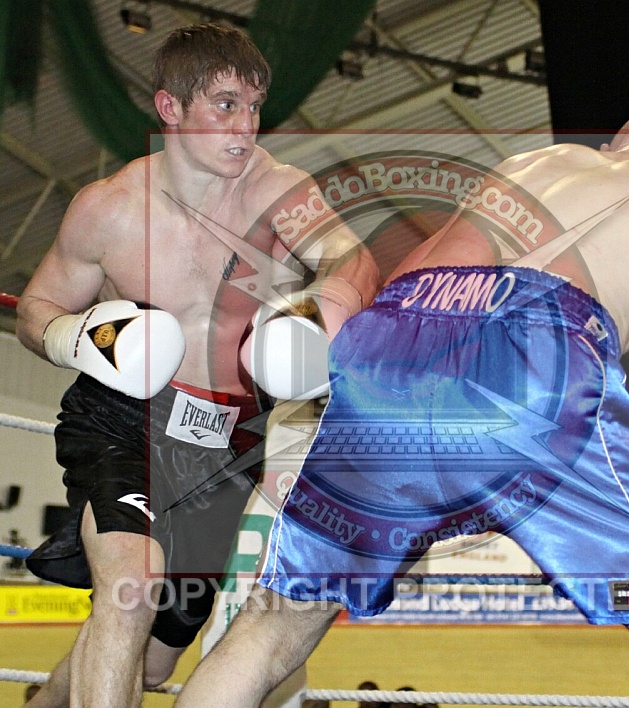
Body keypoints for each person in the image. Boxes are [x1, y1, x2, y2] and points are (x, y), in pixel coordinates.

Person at [174, 105, 629, 707]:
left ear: (613, 146)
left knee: (269, 630)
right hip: (535, 369)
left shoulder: (534, 164)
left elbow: (410, 286)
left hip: (393, 353)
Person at [15, 23, 378, 708]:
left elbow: (351, 256)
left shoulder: (280, 192)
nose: (246, 127)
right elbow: (37, 307)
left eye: (254, 106)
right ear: (170, 108)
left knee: (153, 661)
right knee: (131, 585)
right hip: (124, 420)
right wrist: (75, 338)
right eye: (225, 105)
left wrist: (320, 309)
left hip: (229, 441)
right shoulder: (109, 209)